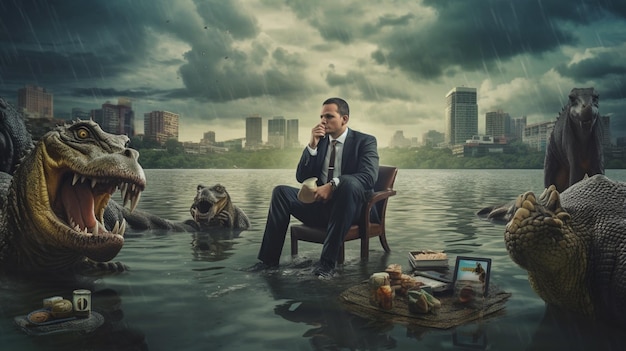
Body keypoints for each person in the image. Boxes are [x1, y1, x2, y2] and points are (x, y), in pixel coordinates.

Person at [249, 97, 379, 279]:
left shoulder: (365, 141)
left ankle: (326, 264)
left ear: (345, 119)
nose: (323, 121)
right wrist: (312, 146)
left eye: (329, 116)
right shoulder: (321, 142)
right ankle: (268, 262)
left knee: (347, 184)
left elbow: (369, 177)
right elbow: (301, 177)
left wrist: (333, 185)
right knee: (281, 192)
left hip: (354, 210)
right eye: (321, 117)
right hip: (322, 208)